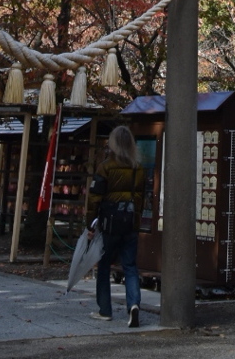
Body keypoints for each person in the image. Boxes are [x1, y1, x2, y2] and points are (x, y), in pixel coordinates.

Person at [86, 125, 145, 327]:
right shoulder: (138, 168)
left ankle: (105, 310)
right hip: (130, 223)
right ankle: (134, 304)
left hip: (109, 224)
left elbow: (95, 198)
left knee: (104, 266)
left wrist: (90, 224)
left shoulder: (105, 167)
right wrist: (136, 220)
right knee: (130, 266)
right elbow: (140, 198)